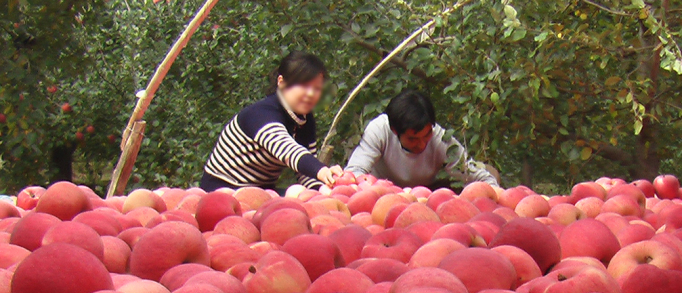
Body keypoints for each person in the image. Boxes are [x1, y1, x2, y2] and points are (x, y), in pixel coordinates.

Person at [200, 52, 343, 193]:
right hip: (222, 191)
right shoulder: (261, 114)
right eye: (304, 86)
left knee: (300, 197)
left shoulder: (304, 119)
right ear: (281, 82)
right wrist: (321, 170)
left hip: (261, 192)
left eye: (316, 88)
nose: (311, 94)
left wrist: (326, 189)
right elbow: (287, 150)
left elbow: (306, 175)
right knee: (294, 198)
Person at [345, 90, 498, 189]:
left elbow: (476, 174)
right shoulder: (379, 130)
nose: (422, 144)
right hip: (380, 193)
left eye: (426, 136)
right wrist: (378, 190)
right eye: (413, 139)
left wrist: (497, 195)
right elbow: (354, 172)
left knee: (489, 173)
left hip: (424, 197)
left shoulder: (440, 139)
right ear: (395, 131)